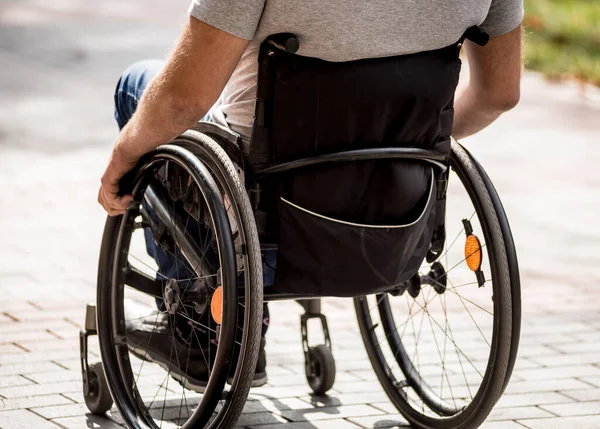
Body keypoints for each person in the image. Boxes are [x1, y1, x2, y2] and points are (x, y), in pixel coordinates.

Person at [98, 0, 523, 391]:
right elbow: (498, 95)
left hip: (265, 190)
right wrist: (413, 143)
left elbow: (180, 100)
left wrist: (122, 157)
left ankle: (203, 329)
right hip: (397, 202)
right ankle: (227, 318)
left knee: (136, 86)